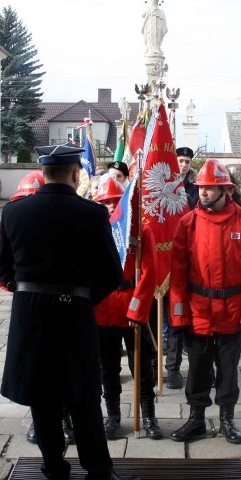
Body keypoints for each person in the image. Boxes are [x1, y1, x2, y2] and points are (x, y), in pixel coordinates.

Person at [0, 144, 140, 480]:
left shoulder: (13, 213)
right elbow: (110, 274)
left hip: (31, 315)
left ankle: (56, 473)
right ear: (76, 174)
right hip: (75, 314)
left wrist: (32, 294)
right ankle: (98, 475)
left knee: (41, 396)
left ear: (43, 173)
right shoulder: (91, 214)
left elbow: (2, 270)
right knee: (84, 396)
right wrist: (83, 298)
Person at [168, 159, 241, 444]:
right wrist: (178, 315)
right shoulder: (188, 223)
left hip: (232, 311)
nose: (203, 193)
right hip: (198, 310)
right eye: (201, 188)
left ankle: (227, 419)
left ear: (227, 190)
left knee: (228, 369)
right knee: (197, 367)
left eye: (210, 188)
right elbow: (178, 275)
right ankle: (196, 419)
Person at [0, 171, 77, 445]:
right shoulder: (10, 222)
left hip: (64, 306)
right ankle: (41, 421)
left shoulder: (63, 222)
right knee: (35, 369)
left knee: (62, 368)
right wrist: (22, 288)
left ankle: (64, 417)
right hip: (31, 308)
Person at [92, 175, 162, 440]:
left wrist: (137, 309)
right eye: (105, 202)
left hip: (132, 307)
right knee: (107, 369)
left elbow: (149, 274)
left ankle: (149, 417)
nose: (110, 206)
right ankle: (113, 417)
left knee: (141, 368)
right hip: (104, 308)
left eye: (114, 201)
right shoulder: (95, 231)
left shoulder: (140, 231)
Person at [161, 146, 199, 390]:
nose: (183, 165)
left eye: (187, 161)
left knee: (188, 320)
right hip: (164, 259)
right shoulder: (162, 189)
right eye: (180, 161)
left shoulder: (195, 192)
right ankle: (169, 368)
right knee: (169, 317)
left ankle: (196, 368)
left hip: (191, 261)